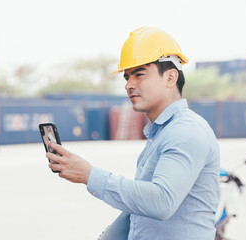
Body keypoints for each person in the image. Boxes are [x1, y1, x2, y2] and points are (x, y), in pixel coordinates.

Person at [46, 27, 220, 240]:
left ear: (170, 77)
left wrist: (89, 175)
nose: (129, 85)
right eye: (127, 77)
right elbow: (138, 214)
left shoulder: (186, 131)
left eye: (139, 74)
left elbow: (161, 202)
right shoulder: (161, 133)